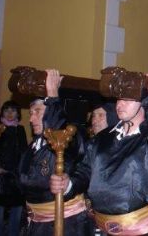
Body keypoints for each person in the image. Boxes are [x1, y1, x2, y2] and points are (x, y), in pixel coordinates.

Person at [50, 73, 148, 235]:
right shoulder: (102, 139)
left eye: (127, 99)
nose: (120, 104)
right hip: (102, 228)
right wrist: (68, 184)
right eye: (118, 98)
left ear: (143, 103)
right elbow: (85, 171)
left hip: (143, 231)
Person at [19, 69, 91, 236]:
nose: (31, 119)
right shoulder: (32, 147)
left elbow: (58, 127)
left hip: (65, 225)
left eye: (37, 112)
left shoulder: (67, 139)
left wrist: (52, 96)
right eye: (30, 113)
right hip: (34, 225)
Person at [0, 101, 27, 235]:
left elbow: (24, 152)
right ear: (2, 113)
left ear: (18, 113)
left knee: (16, 212)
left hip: (15, 176)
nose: (10, 114)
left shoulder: (20, 130)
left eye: (13, 110)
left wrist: (19, 171)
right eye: (6, 110)